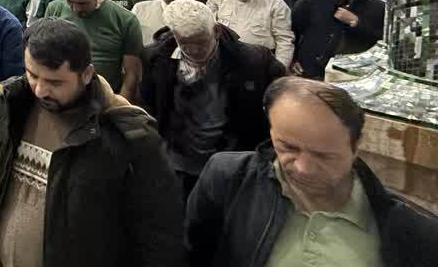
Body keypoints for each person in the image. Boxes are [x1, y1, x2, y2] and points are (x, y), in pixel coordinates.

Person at [0, 19, 184, 267]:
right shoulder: (10, 103)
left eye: (55, 82)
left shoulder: (128, 137)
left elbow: (158, 232)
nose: (40, 90)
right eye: (32, 75)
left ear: (86, 74)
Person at [185, 78, 438, 267]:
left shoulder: (414, 232)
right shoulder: (227, 179)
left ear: (356, 147)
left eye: (323, 155)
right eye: (288, 147)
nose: (303, 169)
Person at [142, 0, 285, 201]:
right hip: (178, 162)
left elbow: (280, 101)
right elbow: (149, 104)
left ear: (216, 31)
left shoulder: (254, 61)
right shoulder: (155, 59)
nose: (193, 50)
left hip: (232, 161)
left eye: (201, 42)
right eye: (185, 43)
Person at [43, 0, 144, 103]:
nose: (75, 9)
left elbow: (132, 74)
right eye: (69, 1)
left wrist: (121, 105)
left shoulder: (125, 20)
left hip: (104, 97)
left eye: (82, 3)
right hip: (60, 95)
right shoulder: (54, 9)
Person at [291, 0, 385, 79]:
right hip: (310, 71)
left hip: (352, 76)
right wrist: (293, 59)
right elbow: (292, 33)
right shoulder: (310, 1)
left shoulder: (378, 7)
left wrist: (357, 23)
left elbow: (380, 41)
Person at [208, 0, 294, 67]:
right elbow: (209, 33)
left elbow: (284, 39)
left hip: (261, 62)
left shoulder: (275, 4)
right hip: (225, 59)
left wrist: (281, 67)